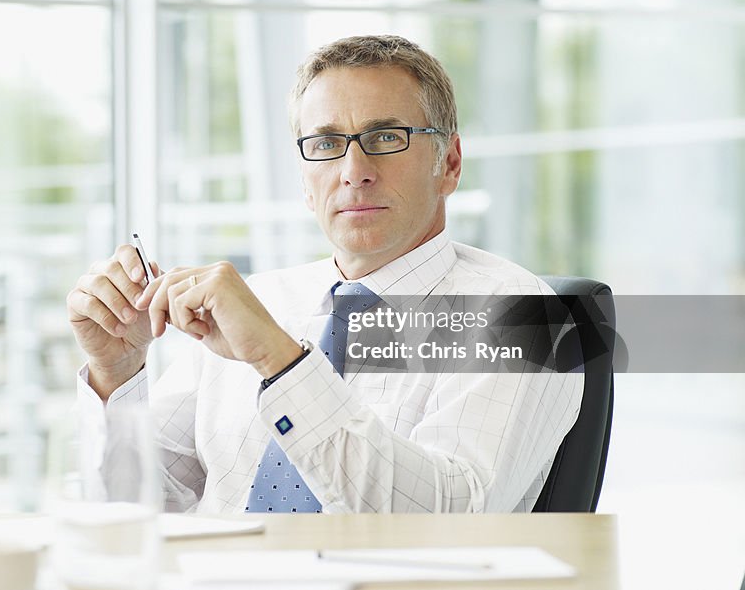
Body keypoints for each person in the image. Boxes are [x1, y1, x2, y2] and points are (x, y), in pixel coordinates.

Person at [66, 34, 583, 514]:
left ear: (448, 162)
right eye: (326, 143)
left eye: (385, 137)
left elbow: (448, 514)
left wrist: (281, 362)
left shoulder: (526, 317)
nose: (354, 170)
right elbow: (128, 508)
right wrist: (117, 372)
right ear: (306, 182)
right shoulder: (260, 300)